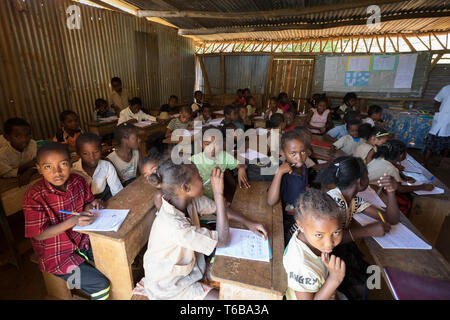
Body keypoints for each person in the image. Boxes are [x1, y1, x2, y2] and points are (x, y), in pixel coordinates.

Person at [142, 161, 267, 300]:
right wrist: (218, 194)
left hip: (191, 269)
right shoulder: (175, 226)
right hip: (169, 287)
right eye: (199, 177)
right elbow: (223, 240)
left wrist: (249, 223)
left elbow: (220, 209)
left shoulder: (185, 200)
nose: (203, 179)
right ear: (186, 187)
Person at [23, 142, 110, 300]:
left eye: (63, 164)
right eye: (48, 166)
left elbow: (86, 204)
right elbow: (39, 235)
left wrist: (92, 205)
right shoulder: (34, 196)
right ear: (39, 168)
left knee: (113, 263)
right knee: (100, 285)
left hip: (83, 241)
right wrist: (74, 220)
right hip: (56, 256)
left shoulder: (78, 181)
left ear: (71, 163)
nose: (57, 172)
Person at [316, 156, 400, 299]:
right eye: (367, 175)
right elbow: (329, 241)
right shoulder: (335, 202)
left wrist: (391, 192)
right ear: (360, 181)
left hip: (339, 252)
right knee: (366, 281)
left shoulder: (353, 201)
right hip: (323, 256)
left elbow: (391, 219)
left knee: (370, 274)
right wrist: (367, 230)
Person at [283, 188, 346, 300]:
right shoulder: (302, 265)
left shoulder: (307, 233)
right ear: (300, 225)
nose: (329, 244)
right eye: (319, 235)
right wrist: (334, 279)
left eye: (336, 232)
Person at [267, 130, 309, 245]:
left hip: (300, 211)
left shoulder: (303, 166)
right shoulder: (284, 173)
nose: (299, 157)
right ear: (283, 153)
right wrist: (279, 173)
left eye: (303, 151)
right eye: (293, 153)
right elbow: (271, 201)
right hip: (288, 218)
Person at [191, 126, 250, 200]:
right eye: (208, 144)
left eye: (216, 144)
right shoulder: (193, 161)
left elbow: (240, 165)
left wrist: (241, 168)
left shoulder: (224, 156)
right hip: (200, 200)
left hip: (217, 198)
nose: (213, 148)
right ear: (200, 144)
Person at [367, 139, 434, 193]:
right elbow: (400, 189)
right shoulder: (391, 168)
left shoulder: (380, 158)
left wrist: (402, 176)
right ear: (401, 155)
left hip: (367, 185)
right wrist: (422, 187)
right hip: (370, 190)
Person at [72, 133, 123, 201]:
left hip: (103, 198)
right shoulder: (73, 172)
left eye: (96, 152)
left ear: (101, 150)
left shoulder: (107, 166)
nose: (92, 157)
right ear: (78, 153)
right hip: (83, 204)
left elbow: (118, 192)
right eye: (85, 154)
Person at [0, 118, 37, 186]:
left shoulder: (32, 144)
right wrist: (27, 165)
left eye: (27, 135)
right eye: (17, 136)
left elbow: (37, 162)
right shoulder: (2, 155)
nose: (24, 139)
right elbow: (5, 173)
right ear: (7, 137)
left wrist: (29, 172)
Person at [423, 84, 450, 168]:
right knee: (431, 143)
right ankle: (425, 163)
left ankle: (441, 163)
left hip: (448, 124)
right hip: (441, 120)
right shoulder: (446, 88)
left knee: (448, 145)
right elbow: (437, 101)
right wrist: (437, 113)